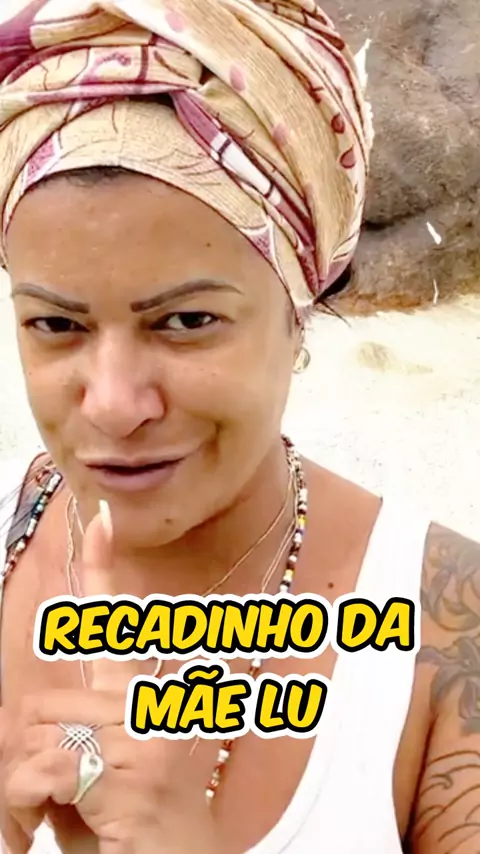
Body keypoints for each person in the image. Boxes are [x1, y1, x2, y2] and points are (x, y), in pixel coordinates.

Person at [0, 1, 478, 853]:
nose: (113, 404)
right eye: (57, 325)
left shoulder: (447, 629)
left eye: (187, 322)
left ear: (299, 313)